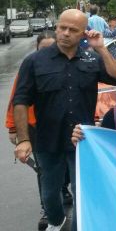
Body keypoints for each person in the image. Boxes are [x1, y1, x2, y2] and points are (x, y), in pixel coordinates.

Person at [13, 9, 116, 231]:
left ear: (83, 33)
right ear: (56, 28)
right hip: (47, 141)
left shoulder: (92, 58)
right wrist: (23, 140)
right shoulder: (34, 61)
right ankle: (57, 222)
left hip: (82, 141)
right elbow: (20, 101)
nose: (65, 33)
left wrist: (101, 48)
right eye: (62, 28)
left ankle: (78, 227)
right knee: (50, 194)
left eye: (73, 30)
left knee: (83, 193)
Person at [4, 31, 62, 230]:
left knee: (66, 167)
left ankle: (63, 191)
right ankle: (47, 208)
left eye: (51, 48)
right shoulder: (30, 66)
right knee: (44, 170)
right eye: (42, 48)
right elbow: (16, 98)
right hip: (35, 127)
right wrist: (14, 128)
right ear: (37, 49)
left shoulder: (67, 64)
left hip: (63, 126)